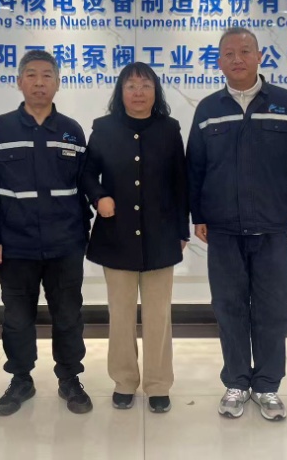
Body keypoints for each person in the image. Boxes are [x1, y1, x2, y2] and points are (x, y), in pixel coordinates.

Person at [186, 27, 287, 421]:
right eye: (229, 53)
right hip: (223, 229)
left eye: (245, 51)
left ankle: (268, 385)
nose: (237, 59)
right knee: (229, 308)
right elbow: (195, 168)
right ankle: (237, 382)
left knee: (273, 310)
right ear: (219, 62)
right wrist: (198, 215)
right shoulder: (208, 109)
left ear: (260, 57)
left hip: (274, 228)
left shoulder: (285, 104)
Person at [0, 50, 93, 416]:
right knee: (17, 317)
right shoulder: (0, 129)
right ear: (19, 82)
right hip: (15, 244)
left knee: (68, 315)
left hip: (65, 244)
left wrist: (85, 234)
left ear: (57, 83)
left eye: (46, 76)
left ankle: (70, 378)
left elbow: (84, 184)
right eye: (31, 75)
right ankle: (20, 379)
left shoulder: (72, 130)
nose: (39, 82)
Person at [82, 62, 189, 414]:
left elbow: (181, 182)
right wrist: (99, 196)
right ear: (120, 92)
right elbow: (86, 173)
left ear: (156, 91)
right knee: (121, 314)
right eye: (131, 86)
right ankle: (124, 381)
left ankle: (158, 384)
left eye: (145, 85)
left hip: (161, 236)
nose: (138, 92)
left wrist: (182, 230)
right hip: (116, 235)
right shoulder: (104, 128)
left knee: (159, 316)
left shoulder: (169, 129)